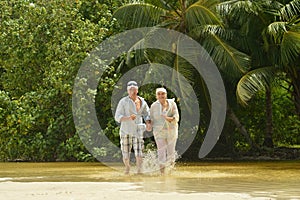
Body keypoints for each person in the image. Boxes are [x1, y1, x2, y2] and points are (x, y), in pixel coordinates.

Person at [114, 81, 151, 174]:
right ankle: (127, 168)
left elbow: (147, 114)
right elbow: (117, 117)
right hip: (125, 130)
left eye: (134, 90)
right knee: (126, 153)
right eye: (131, 90)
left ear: (137, 90)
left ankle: (139, 171)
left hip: (138, 130)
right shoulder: (123, 102)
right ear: (128, 91)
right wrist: (128, 118)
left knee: (139, 152)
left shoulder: (142, 101)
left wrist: (148, 123)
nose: (133, 92)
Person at [150, 87, 179, 174]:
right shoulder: (154, 106)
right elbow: (150, 118)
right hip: (159, 132)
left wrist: (167, 118)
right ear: (156, 96)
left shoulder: (172, 104)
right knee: (161, 151)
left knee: (171, 152)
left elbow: (176, 117)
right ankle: (162, 174)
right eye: (159, 94)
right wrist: (148, 124)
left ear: (166, 95)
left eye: (163, 94)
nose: (161, 95)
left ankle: (170, 172)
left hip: (172, 131)